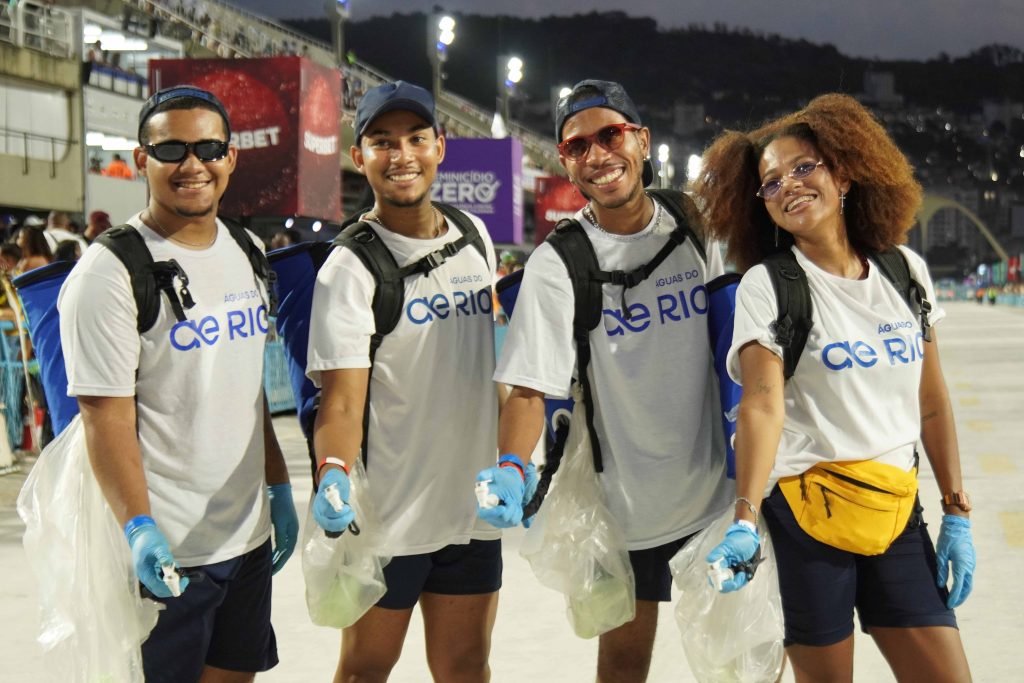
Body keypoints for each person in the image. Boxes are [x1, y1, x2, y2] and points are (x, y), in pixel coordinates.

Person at [696, 93, 974, 682]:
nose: (789, 186)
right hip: (806, 520)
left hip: (895, 513)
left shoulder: (904, 271)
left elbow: (932, 402)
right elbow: (762, 404)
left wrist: (954, 510)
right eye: (771, 183)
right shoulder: (767, 287)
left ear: (843, 174)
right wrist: (745, 517)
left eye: (804, 168)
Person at [486, 79, 733, 683]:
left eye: (610, 135)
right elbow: (528, 386)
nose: (597, 155)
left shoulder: (699, 225)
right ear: (565, 161)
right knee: (622, 668)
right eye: (577, 146)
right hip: (623, 514)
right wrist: (512, 467)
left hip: (719, 503)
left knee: (743, 664)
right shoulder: (559, 261)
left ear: (642, 141)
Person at [57, 85, 298, 683]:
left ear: (232, 157)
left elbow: (248, 392)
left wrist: (277, 486)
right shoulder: (110, 273)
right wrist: (139, 530)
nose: (193, 164)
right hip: (169, 554)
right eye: (172, 149)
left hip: (245, 540)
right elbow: (103, 415)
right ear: (142, 159)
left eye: (210, 147)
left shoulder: (248, 250)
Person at [306, 81, 502, 682]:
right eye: (382, 142)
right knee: (365, 669)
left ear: (440, 146)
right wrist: (332, 472)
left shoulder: (474, 237)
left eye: (417, 138)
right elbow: (340, 401)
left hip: (470, 515)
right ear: (358, 154)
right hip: (389, 519)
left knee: (466, 667)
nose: (402, 155)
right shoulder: (350, 268)